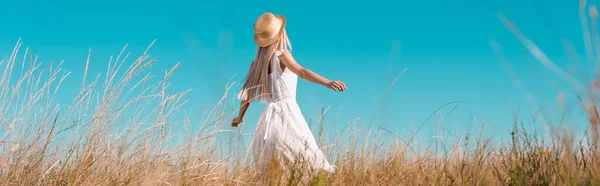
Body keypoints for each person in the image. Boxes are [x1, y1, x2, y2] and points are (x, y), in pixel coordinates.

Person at [231, 12, 346, 173]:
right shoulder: (281, 55)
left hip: (266, 126)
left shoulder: (255, 65)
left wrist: (239, 117)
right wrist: (327, 82)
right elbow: (302, 72)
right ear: (280, 34)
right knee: (311, 162)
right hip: (287, 117)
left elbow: (247, 96)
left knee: (273, 172)